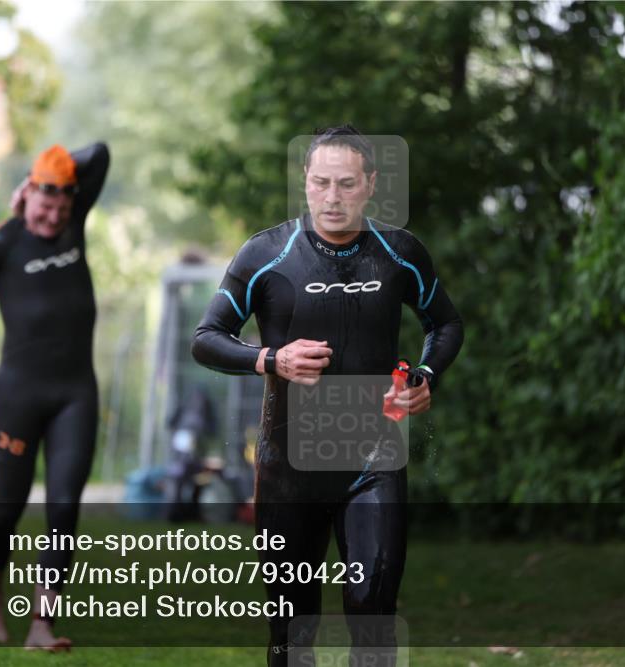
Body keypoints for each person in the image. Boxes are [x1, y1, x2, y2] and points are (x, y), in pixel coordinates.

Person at [192, 125, 463, 665]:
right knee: (292, 631)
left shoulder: (400, 253)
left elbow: (446, 324)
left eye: (345, 184)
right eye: (321, 184)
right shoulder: (266, 255)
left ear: (370, 185)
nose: (332, 198)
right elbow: (206, 339)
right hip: (287, 466)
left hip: (374, 461)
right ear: (305, 183)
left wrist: (424, 376)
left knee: (373, 611)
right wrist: (271, 359)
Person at [0, 142, 110, 651]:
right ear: (26, 193)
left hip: (76, 393)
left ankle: (41, 624)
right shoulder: (2, 242)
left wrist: (55, 171)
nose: (53, 217)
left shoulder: (74, 220)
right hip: (19, 396)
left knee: (64, 507)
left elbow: (100, 152)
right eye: (43, 205)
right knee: (8, 506)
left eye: (60, 208)